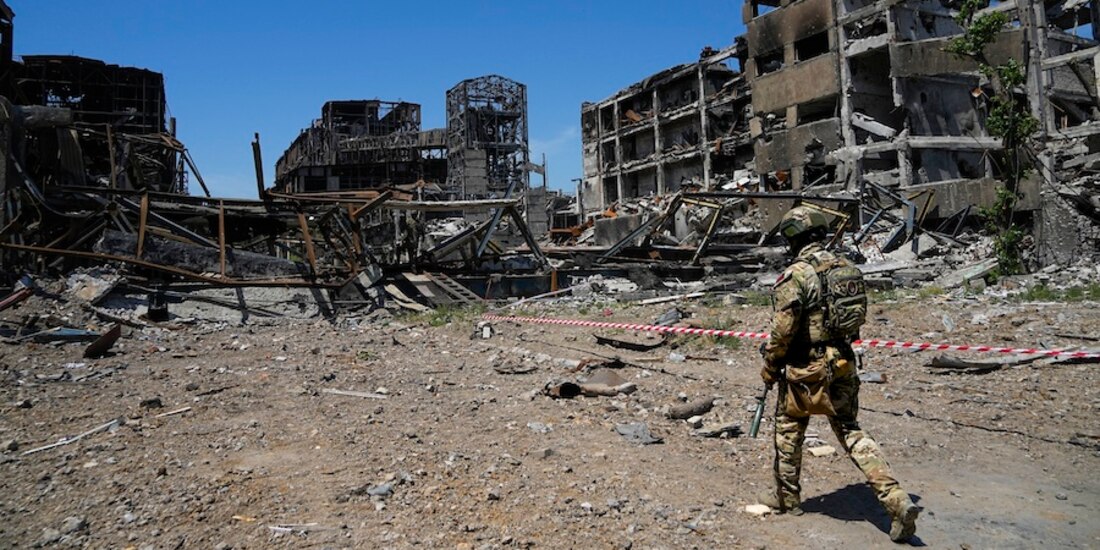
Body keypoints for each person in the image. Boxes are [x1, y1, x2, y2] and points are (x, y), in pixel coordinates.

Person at [757, 205, 919, 543]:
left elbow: (783, 330)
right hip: (842, 363)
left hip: (805, 370)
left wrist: (771, 365)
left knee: (788, 430)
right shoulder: (846, 269)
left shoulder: (796, 275)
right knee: (851, 432)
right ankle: (896, 499)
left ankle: (788, 500)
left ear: (793, 238)